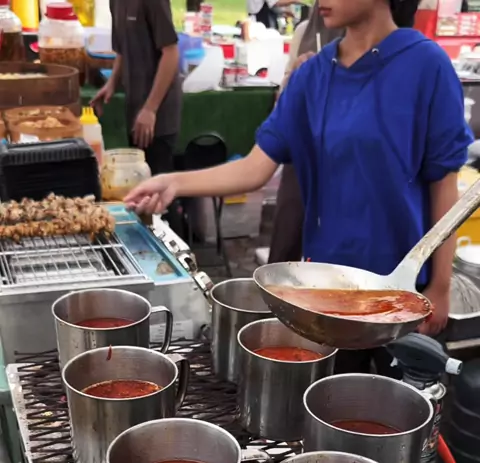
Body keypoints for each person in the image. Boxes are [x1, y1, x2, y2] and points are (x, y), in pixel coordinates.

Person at [125, 0, 473, 368]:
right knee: (330, 396)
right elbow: (254, 168)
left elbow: (443, 186)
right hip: (327, 296)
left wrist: (440, 285)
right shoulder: (313, 76)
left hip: (402, 294)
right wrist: (173, 182)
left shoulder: (426, 65)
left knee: (395, 398)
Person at [268, 7, 343, 264]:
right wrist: (296, 78)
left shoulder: (406, 58)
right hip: (302, 153)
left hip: (342, 165)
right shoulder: (305, 32)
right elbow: (256, 167)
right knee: (287, 233)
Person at [91, 0, 181, 177]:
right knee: (137, 178)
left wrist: (150, 109)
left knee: (156, 181)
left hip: (158, 112)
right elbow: (122, 49)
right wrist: (112, 83)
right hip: (134, 107)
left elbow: (171, 53)